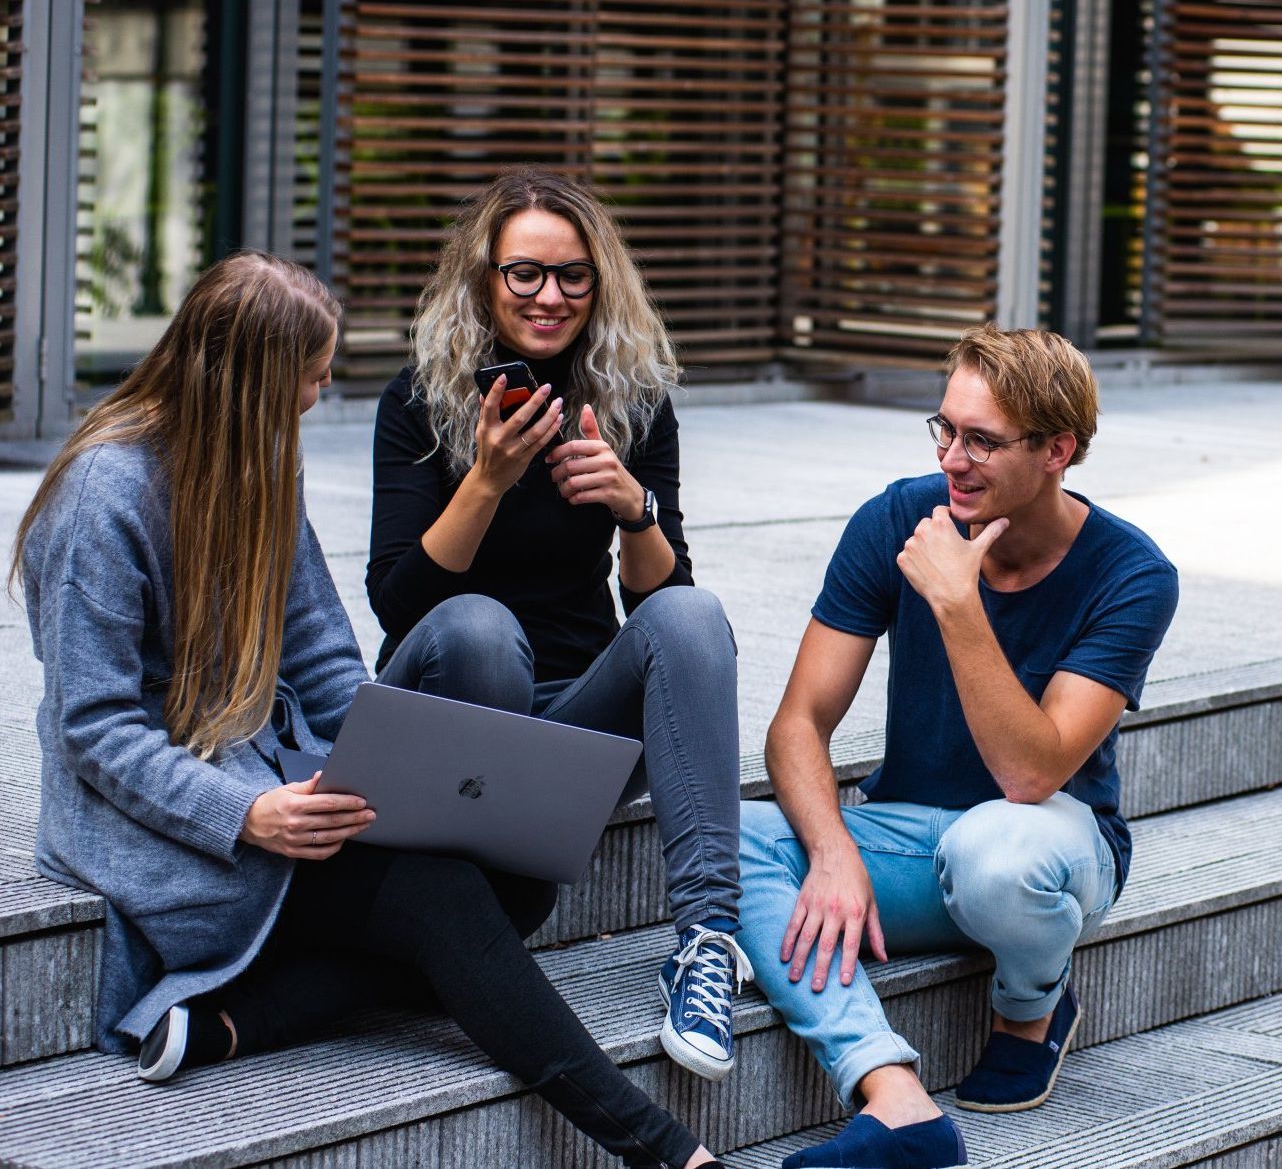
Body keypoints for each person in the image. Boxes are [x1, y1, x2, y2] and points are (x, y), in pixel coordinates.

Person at [15, 251, 729, 1169]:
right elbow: (95, 727)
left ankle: (240, 1018)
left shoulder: (260, 460)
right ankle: (664, 1149)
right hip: (165, 822)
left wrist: (377, 766)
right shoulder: (102, 496)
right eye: (309, 380)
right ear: (251, 379)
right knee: (443, 899)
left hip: (277, 783)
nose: (316, 399)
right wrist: (247, 813)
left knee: (517, 887)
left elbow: (320, 655)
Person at [736, 327, 1179, 1169]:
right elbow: (798, 723)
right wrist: (831, 851)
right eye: (944, 429)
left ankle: (1031, 1003)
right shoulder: (897, 518)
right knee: (728, 834)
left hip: (1048, 844)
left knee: (996, 850)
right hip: (907, 835)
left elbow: (1032, 772)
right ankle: (892, 1095)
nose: (953, 459)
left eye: (981, 440)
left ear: (1058, 450)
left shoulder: (1133, 574)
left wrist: (958, 604)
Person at [366, 166, 751, 1083]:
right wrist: (487, 480)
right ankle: (469, 905)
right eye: (524, 273)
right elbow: (399, 604)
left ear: (600, 281)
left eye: (573, 275)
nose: (549, 296)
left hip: (572, 729)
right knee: (479, 628)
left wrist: (634, 509)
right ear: (483, 278)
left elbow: (664, 608)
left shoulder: (633, 401)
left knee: (693, 616)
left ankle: (706, 944)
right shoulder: (418, 402)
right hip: (451, 710)